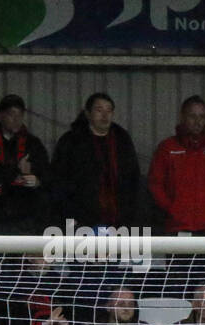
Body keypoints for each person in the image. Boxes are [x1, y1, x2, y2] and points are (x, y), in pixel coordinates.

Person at [49, 93, 140, 229]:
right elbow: (59, 181)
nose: (105, 115)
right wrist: (69, 217)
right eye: (99, 110)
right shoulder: (71, 141)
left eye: (109, 111)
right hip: (81, 222)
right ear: (87, 113)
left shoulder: (122, 140)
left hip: (119, 221)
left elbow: (133, 178)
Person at [148, 95, 205, 234]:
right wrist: (172, 209)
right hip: (176, 228)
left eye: (202, 117)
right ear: (182, 117)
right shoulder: (167, 148)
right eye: (192, 116)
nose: (198, 122)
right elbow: (155, 184)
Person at [0, 94, 50, 234]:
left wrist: (37, 181)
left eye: (20, 115)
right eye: (11, 114)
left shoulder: (33, 144)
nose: (16, 120)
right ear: (1, 115)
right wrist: (16, 170)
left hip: (25, 217)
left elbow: (46, 175)